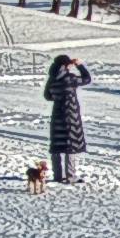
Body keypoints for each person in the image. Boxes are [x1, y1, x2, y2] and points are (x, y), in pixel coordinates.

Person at [44, 55, 91, 183]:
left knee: (57, 146)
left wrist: (59, 95)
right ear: (65, 65)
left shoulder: (52, 79)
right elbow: (87, 79)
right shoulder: (69, 79)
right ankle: (70, 176)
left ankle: (58, 176)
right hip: (70, 116)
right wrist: (80, 65)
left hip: (57, 115)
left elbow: (47, 96)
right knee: (70, 145)